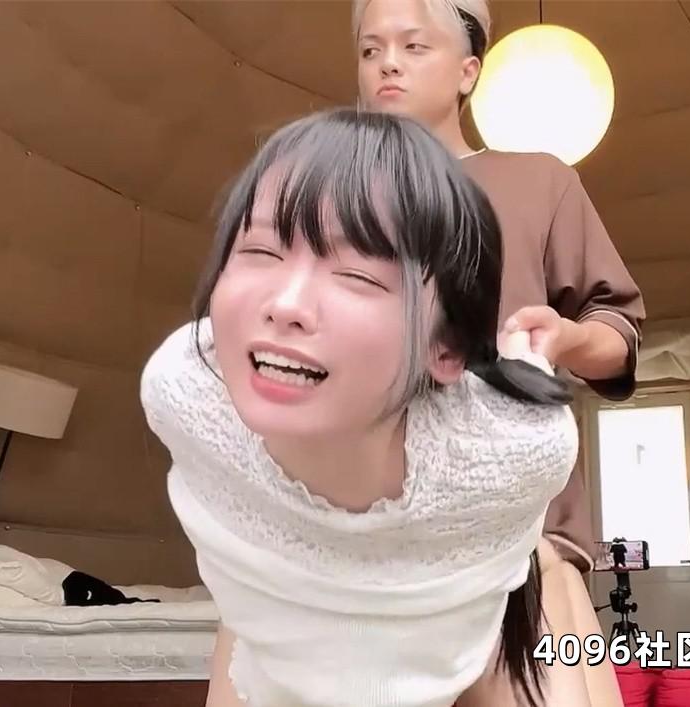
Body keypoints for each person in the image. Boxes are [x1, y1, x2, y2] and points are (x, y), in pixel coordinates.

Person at [141, 108, 580, 706]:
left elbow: (526, 389)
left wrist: (529, 359)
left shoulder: (513, 451)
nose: (285, 305)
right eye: (261, 251)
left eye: (357, 275)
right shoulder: (187, 392)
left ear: (447, 347)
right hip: (274, 644)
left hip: (471, 633)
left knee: (549, 575)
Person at [354, 0, 645, 703]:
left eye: (413, 45)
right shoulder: (332, 195)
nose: (387, 63)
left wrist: (567, 337)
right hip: (367, 538)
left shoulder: (539, 181)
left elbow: (619, 335)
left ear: (468, 71)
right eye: (369, 49)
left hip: (519, 536)